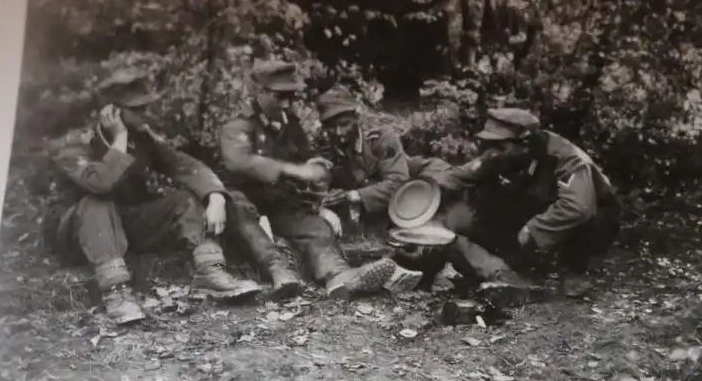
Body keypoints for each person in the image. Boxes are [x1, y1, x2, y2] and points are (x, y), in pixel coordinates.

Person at [41, 68, 300, 326]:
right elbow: (101, 183)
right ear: (112, 112)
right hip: (76, 231)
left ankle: (210, 270)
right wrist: (119, 137)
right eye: (137, 109)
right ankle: (116, 293)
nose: (145, 114)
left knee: (185, 199)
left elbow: (186, 166)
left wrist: (215, 197)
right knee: (96, 203)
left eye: (145, 107)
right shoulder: (76, 144)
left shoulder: (142, 138)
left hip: (123, 225)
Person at [218, 60, 424, 298]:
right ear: (260, 92)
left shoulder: (289, 122)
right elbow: (239, 162)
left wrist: (317, 167)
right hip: (240, 195)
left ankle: (338, 276)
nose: (287, 104)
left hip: (279, 198)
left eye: (291, 97)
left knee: (315, 227)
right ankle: (280, 271)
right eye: (279, 96)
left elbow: (310, 155)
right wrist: (294, 171)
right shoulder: (238, 122)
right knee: (242, 211)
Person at [431, 108, 621, 296]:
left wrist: (534, 229)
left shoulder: (565, 158)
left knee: (590, 217)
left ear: (525, 144)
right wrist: (421, 198)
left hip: (593, 214)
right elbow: (457, 178)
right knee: (485, 192)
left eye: (499, 147)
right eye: (489, 145)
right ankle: (523, 261)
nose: (491, 153)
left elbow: (579, 207)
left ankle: (575, 267)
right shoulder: (502, 155)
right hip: (545, 208)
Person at [314, 86, 412, 235]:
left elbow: (399, 183)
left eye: (344, 124)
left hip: (399, 201)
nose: (338, 132)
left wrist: (353, 196)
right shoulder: (326, 141)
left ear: (356, 118)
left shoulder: (382, 138)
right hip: (363, 197)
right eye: (331, 127)